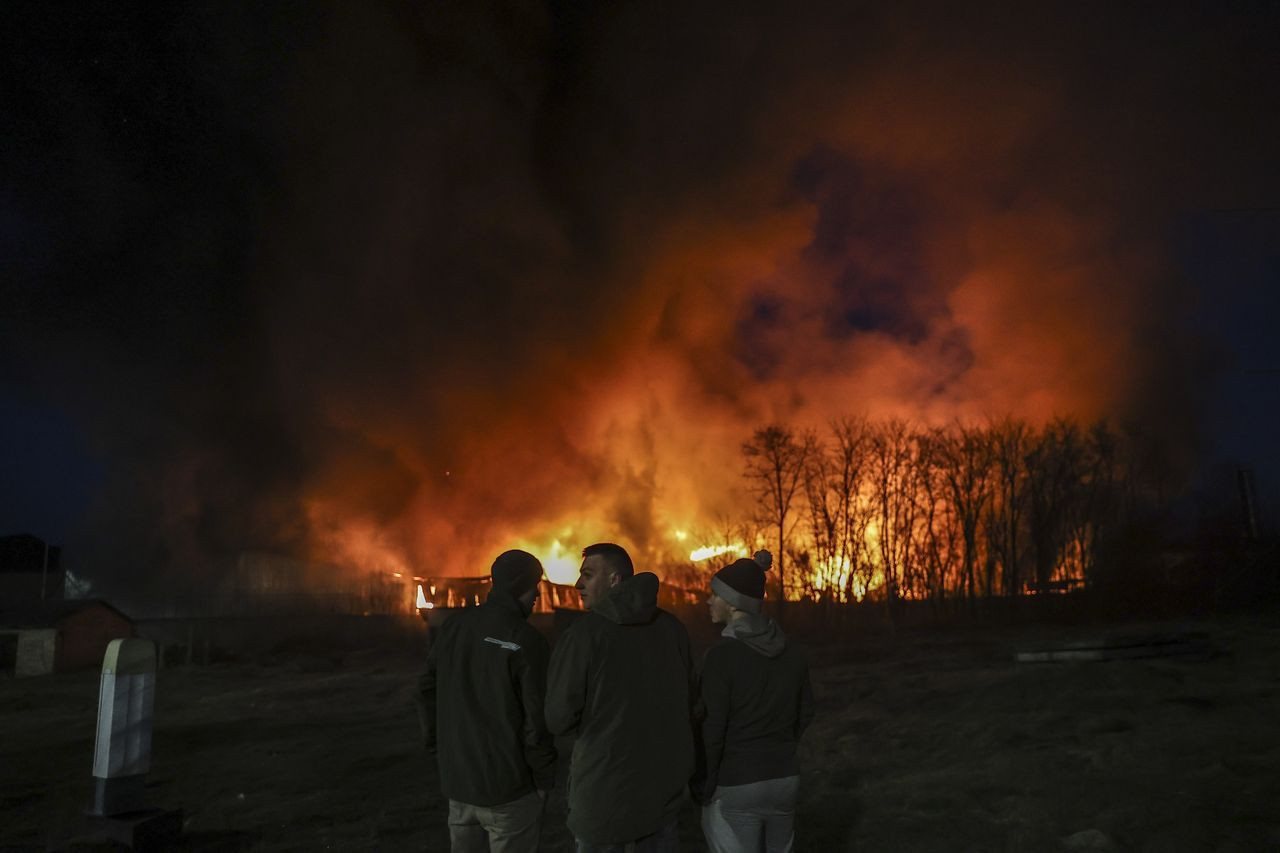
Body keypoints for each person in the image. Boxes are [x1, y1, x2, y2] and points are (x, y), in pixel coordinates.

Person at [546, 542, 697, 852]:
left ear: (614, 580)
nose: (578, 584)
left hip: (603, 798)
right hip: (660, 798)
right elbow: (692, 703)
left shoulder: (583, 635)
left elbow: (558, 718)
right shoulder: (672, 628)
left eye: (588, 575)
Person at [416, 549, 557, 853]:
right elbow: (537, 719)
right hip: (509, 790)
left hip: (459, 783)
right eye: (534, 585)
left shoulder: (453, 628)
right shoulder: (526, 639)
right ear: (521, 586)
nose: (537, 594)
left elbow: (426, 689)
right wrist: (544, 778)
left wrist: (438, 747)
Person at [695, 553, 814, 853]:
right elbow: (805, 712)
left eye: (715, 595)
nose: (709, 601)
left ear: (734, 604)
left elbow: (712, 727)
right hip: (785, 780)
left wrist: (704, 783)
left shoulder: (721, 657)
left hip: (737, 782)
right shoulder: (793, 652)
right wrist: (780, 749)